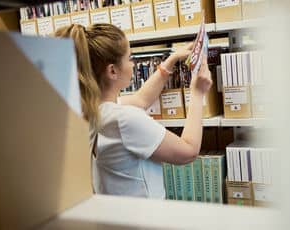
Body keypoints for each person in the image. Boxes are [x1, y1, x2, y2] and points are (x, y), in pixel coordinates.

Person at [54, 23, 212, 199]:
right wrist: (197, 93)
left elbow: (141, 100)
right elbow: (188, 152)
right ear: (112, 70)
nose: (134, 63)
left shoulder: (91, 109)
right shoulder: (124, 119)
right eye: (130, 57)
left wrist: (171, 60)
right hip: (144, 219)